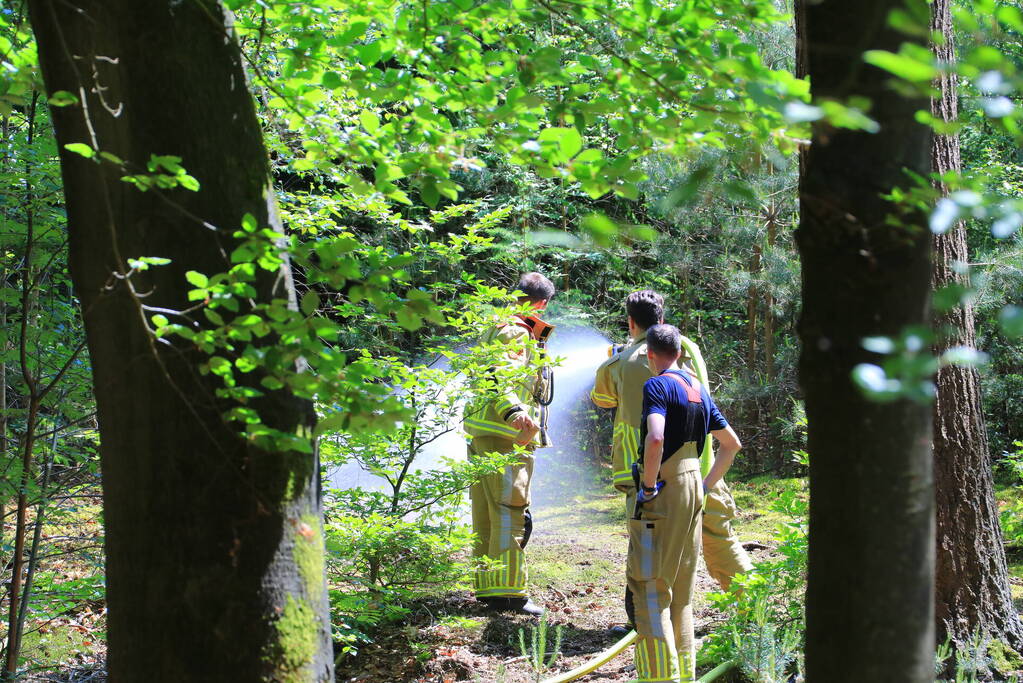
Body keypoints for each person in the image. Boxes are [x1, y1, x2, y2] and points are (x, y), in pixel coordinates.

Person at [591, 292, 753, 627]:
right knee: (720, 539)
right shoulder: (686, 348)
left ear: (631, 322)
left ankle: (646, 623)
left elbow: (602, 399)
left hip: (656, 475)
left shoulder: (623, 359)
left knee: (648, 547)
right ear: (662, 321)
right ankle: (757, 610)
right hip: (704, 466)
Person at [629, 324, 742, 682]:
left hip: (665, 486)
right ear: (679, 352)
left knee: (650, 587)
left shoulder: (657, 385)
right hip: (694, 484)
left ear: (650, 355)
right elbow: (732, 444)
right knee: (682, 592)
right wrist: (706, 486)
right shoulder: (697, 389)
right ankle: (685, 674)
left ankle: (661, 678)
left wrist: (648, 486)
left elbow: (656, 437)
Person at [464, 272, 555, 616]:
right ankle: (510, 594)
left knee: (486, 512)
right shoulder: (517, 330)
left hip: (482, 430)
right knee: (510, 510)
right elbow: (499, 375)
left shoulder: (494, 325)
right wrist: (515, 412)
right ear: (542, 303)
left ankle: (488, 590)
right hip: (506, 435)